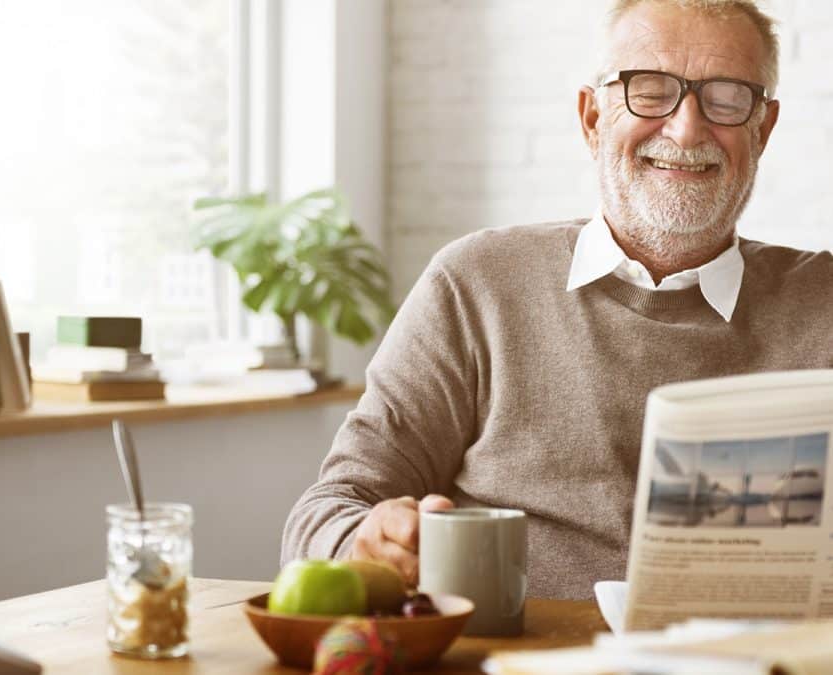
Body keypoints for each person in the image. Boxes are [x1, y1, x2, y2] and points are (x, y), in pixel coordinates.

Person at [281, 0, 833, 600]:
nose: (686, 128)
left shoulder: (823, 303)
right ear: (592, 118)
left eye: (726, 99)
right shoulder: (476, 284)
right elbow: (330, 508)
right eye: (649, 91)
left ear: (764, 129)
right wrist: (364, 538)